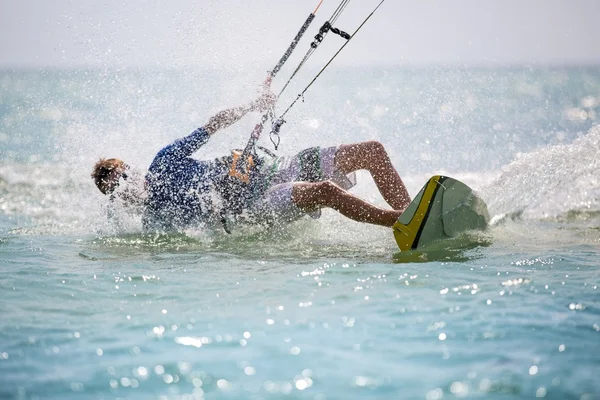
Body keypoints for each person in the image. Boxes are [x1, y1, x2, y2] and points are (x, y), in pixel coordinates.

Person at [91, 86, 411, 232]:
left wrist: (252, 105)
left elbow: (212, 126)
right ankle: (401, 222)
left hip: (269, 169)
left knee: (372, 151)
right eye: (116, 190)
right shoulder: (154, 223)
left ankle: (414, 217)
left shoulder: (164, 160)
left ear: (130, 171)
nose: (126, 188)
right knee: (325, 190)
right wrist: (222, 206)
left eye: (123, 178)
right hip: (255, 209)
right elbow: (206, 240)